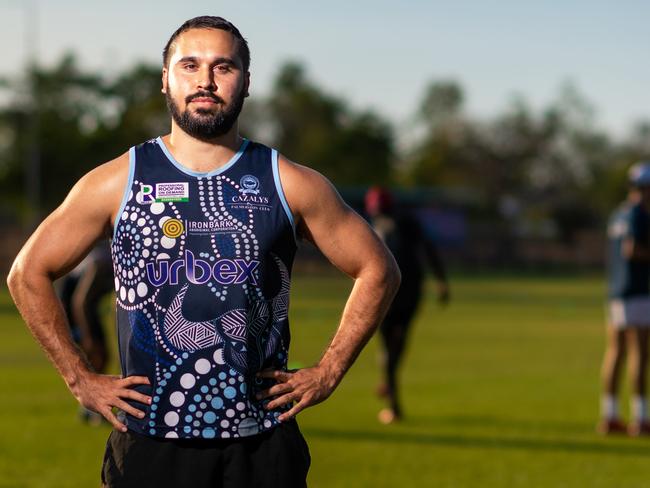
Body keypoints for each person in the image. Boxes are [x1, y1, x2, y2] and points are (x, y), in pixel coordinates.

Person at [7, 16, 400, 488]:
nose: (205, 81)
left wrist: (329, 370)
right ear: (165, 79)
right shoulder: (117, 181)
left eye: (224, 67)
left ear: (246, 82)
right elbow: (27, 273)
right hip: (150, 443)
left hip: (261, 445)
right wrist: (80, 379)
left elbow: (379, 269)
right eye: (189, 65)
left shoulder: (288, 181)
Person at [364, 186, 449, 424]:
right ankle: (391, 392)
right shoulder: (375, 224)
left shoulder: (405, 222)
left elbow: (427, 249)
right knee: (390, 347)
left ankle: (392, 400)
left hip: (406, 292)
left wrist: (441, 280)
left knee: (393, 348)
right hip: (385, 292)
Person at [599, 162, 650, 436]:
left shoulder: (618, 214)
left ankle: (610, 415)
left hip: (616, 292)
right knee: (640, 355)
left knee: (615, 352)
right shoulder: (639, 214)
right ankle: (641, 419)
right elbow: (633, 251)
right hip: (638, 291)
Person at [58, 241, 114, 424]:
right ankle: (95, 409)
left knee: (97, 353)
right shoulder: (99, 263)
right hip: (75, 305)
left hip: (86, 300)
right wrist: (85, 335)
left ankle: (91, 409)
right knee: (95, 352)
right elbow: (78, 302)